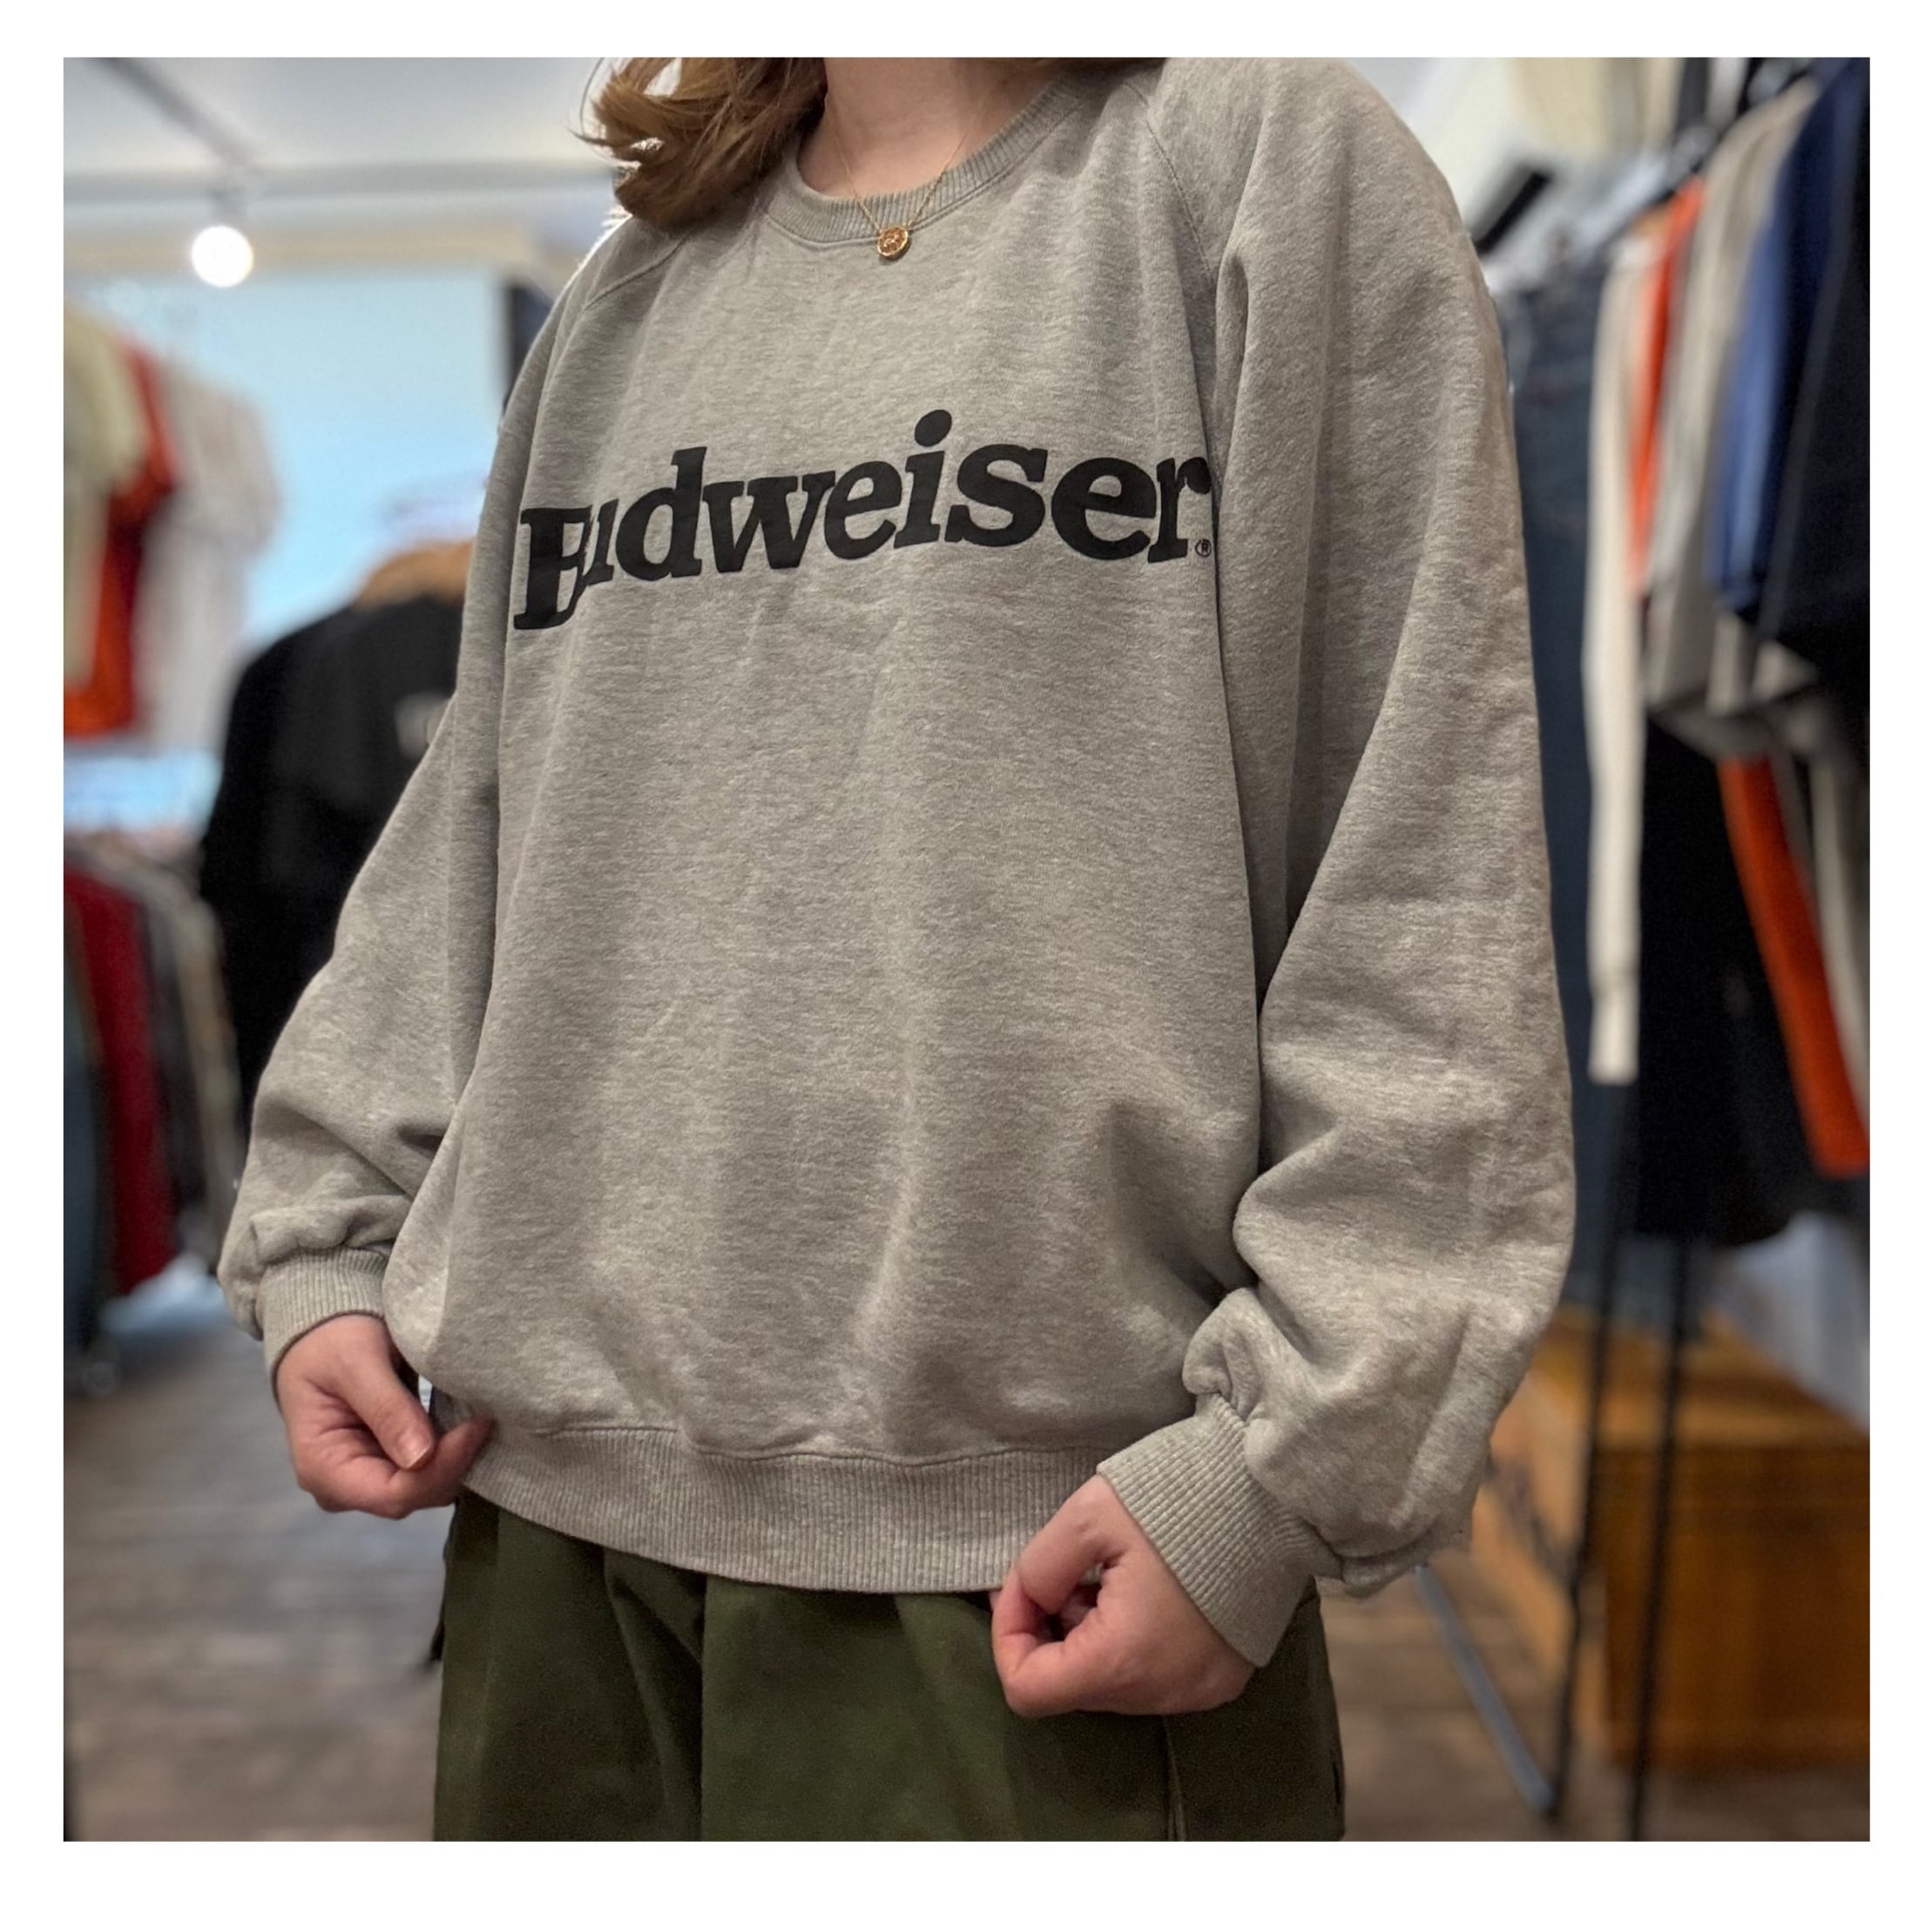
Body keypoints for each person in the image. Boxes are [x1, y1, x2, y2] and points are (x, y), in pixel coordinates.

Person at [217, 56, 1575, 1841]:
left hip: (1040, 1550)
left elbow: (1417, 859)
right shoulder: (636, 282)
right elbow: (482, 819)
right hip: (548, 1518)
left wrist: (1277, 1464)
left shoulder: (1255, 166)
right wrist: (329, 1228)